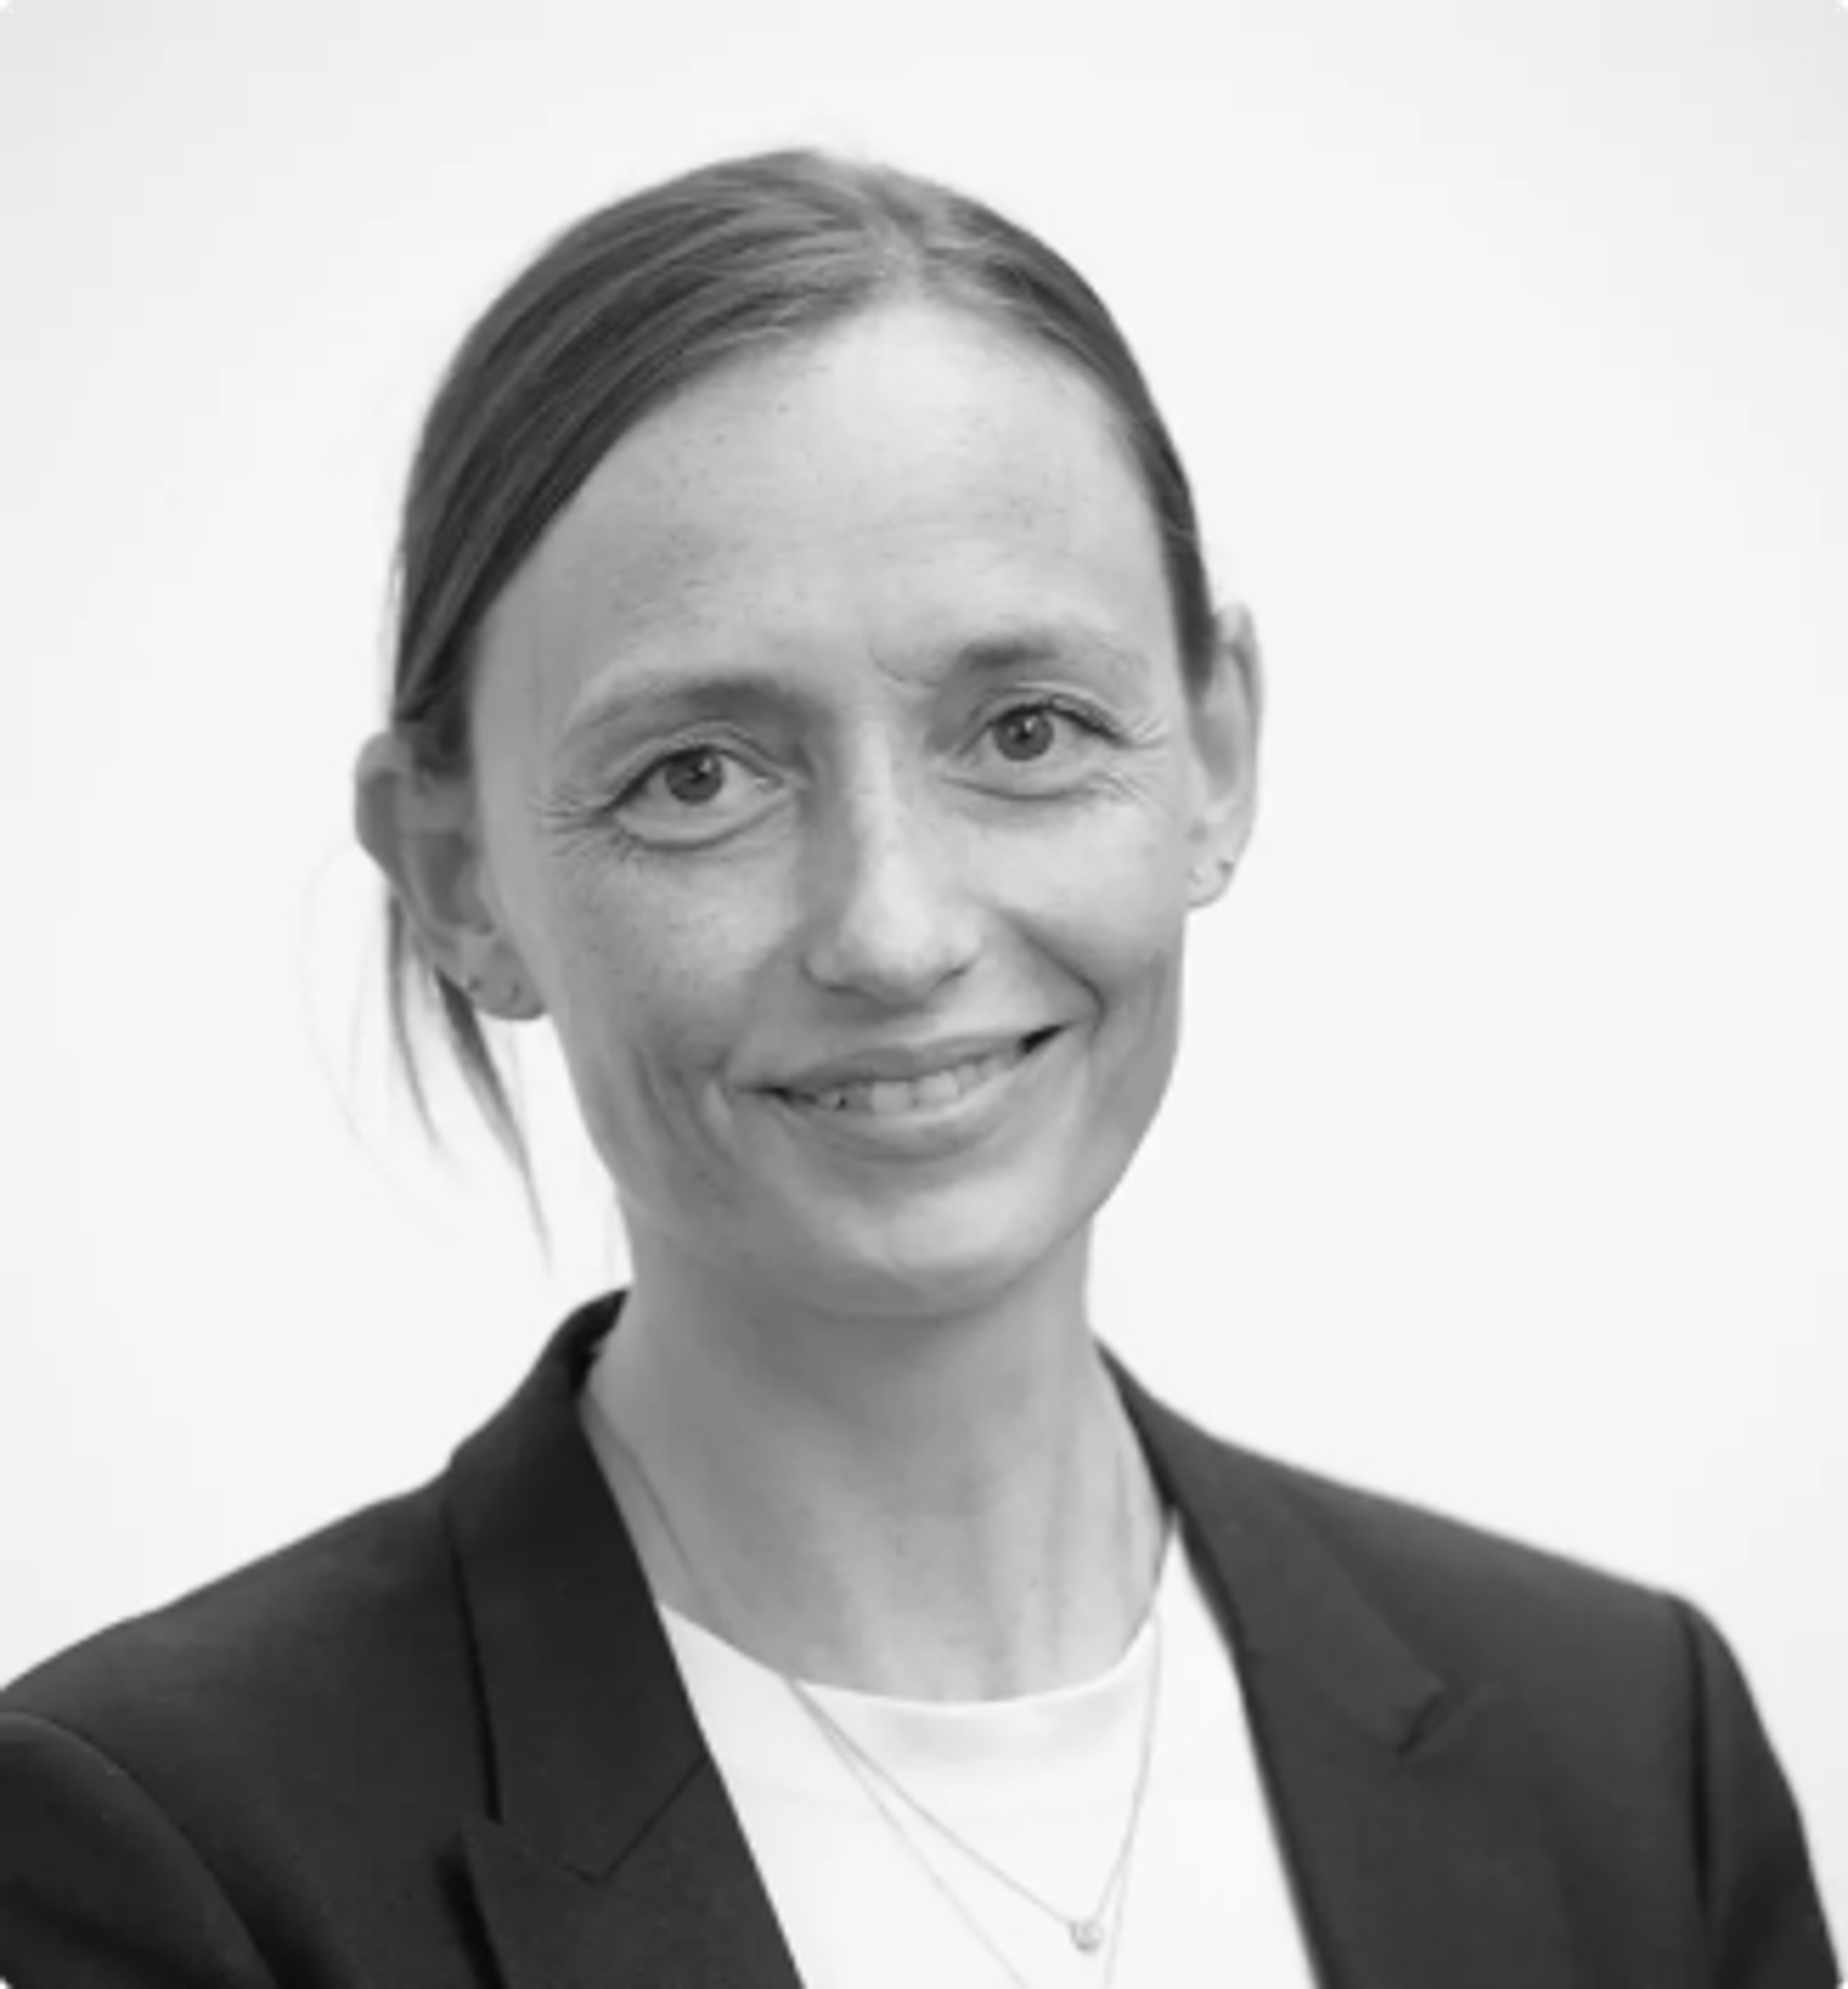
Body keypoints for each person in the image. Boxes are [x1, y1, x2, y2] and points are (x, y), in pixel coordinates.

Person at [0, 149, 1835, 1989]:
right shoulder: (156, 1861)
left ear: (1213, 753)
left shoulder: (1633, 1756)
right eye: (698, 774)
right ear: (456, 873)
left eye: (1027, 729)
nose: (894, 931)